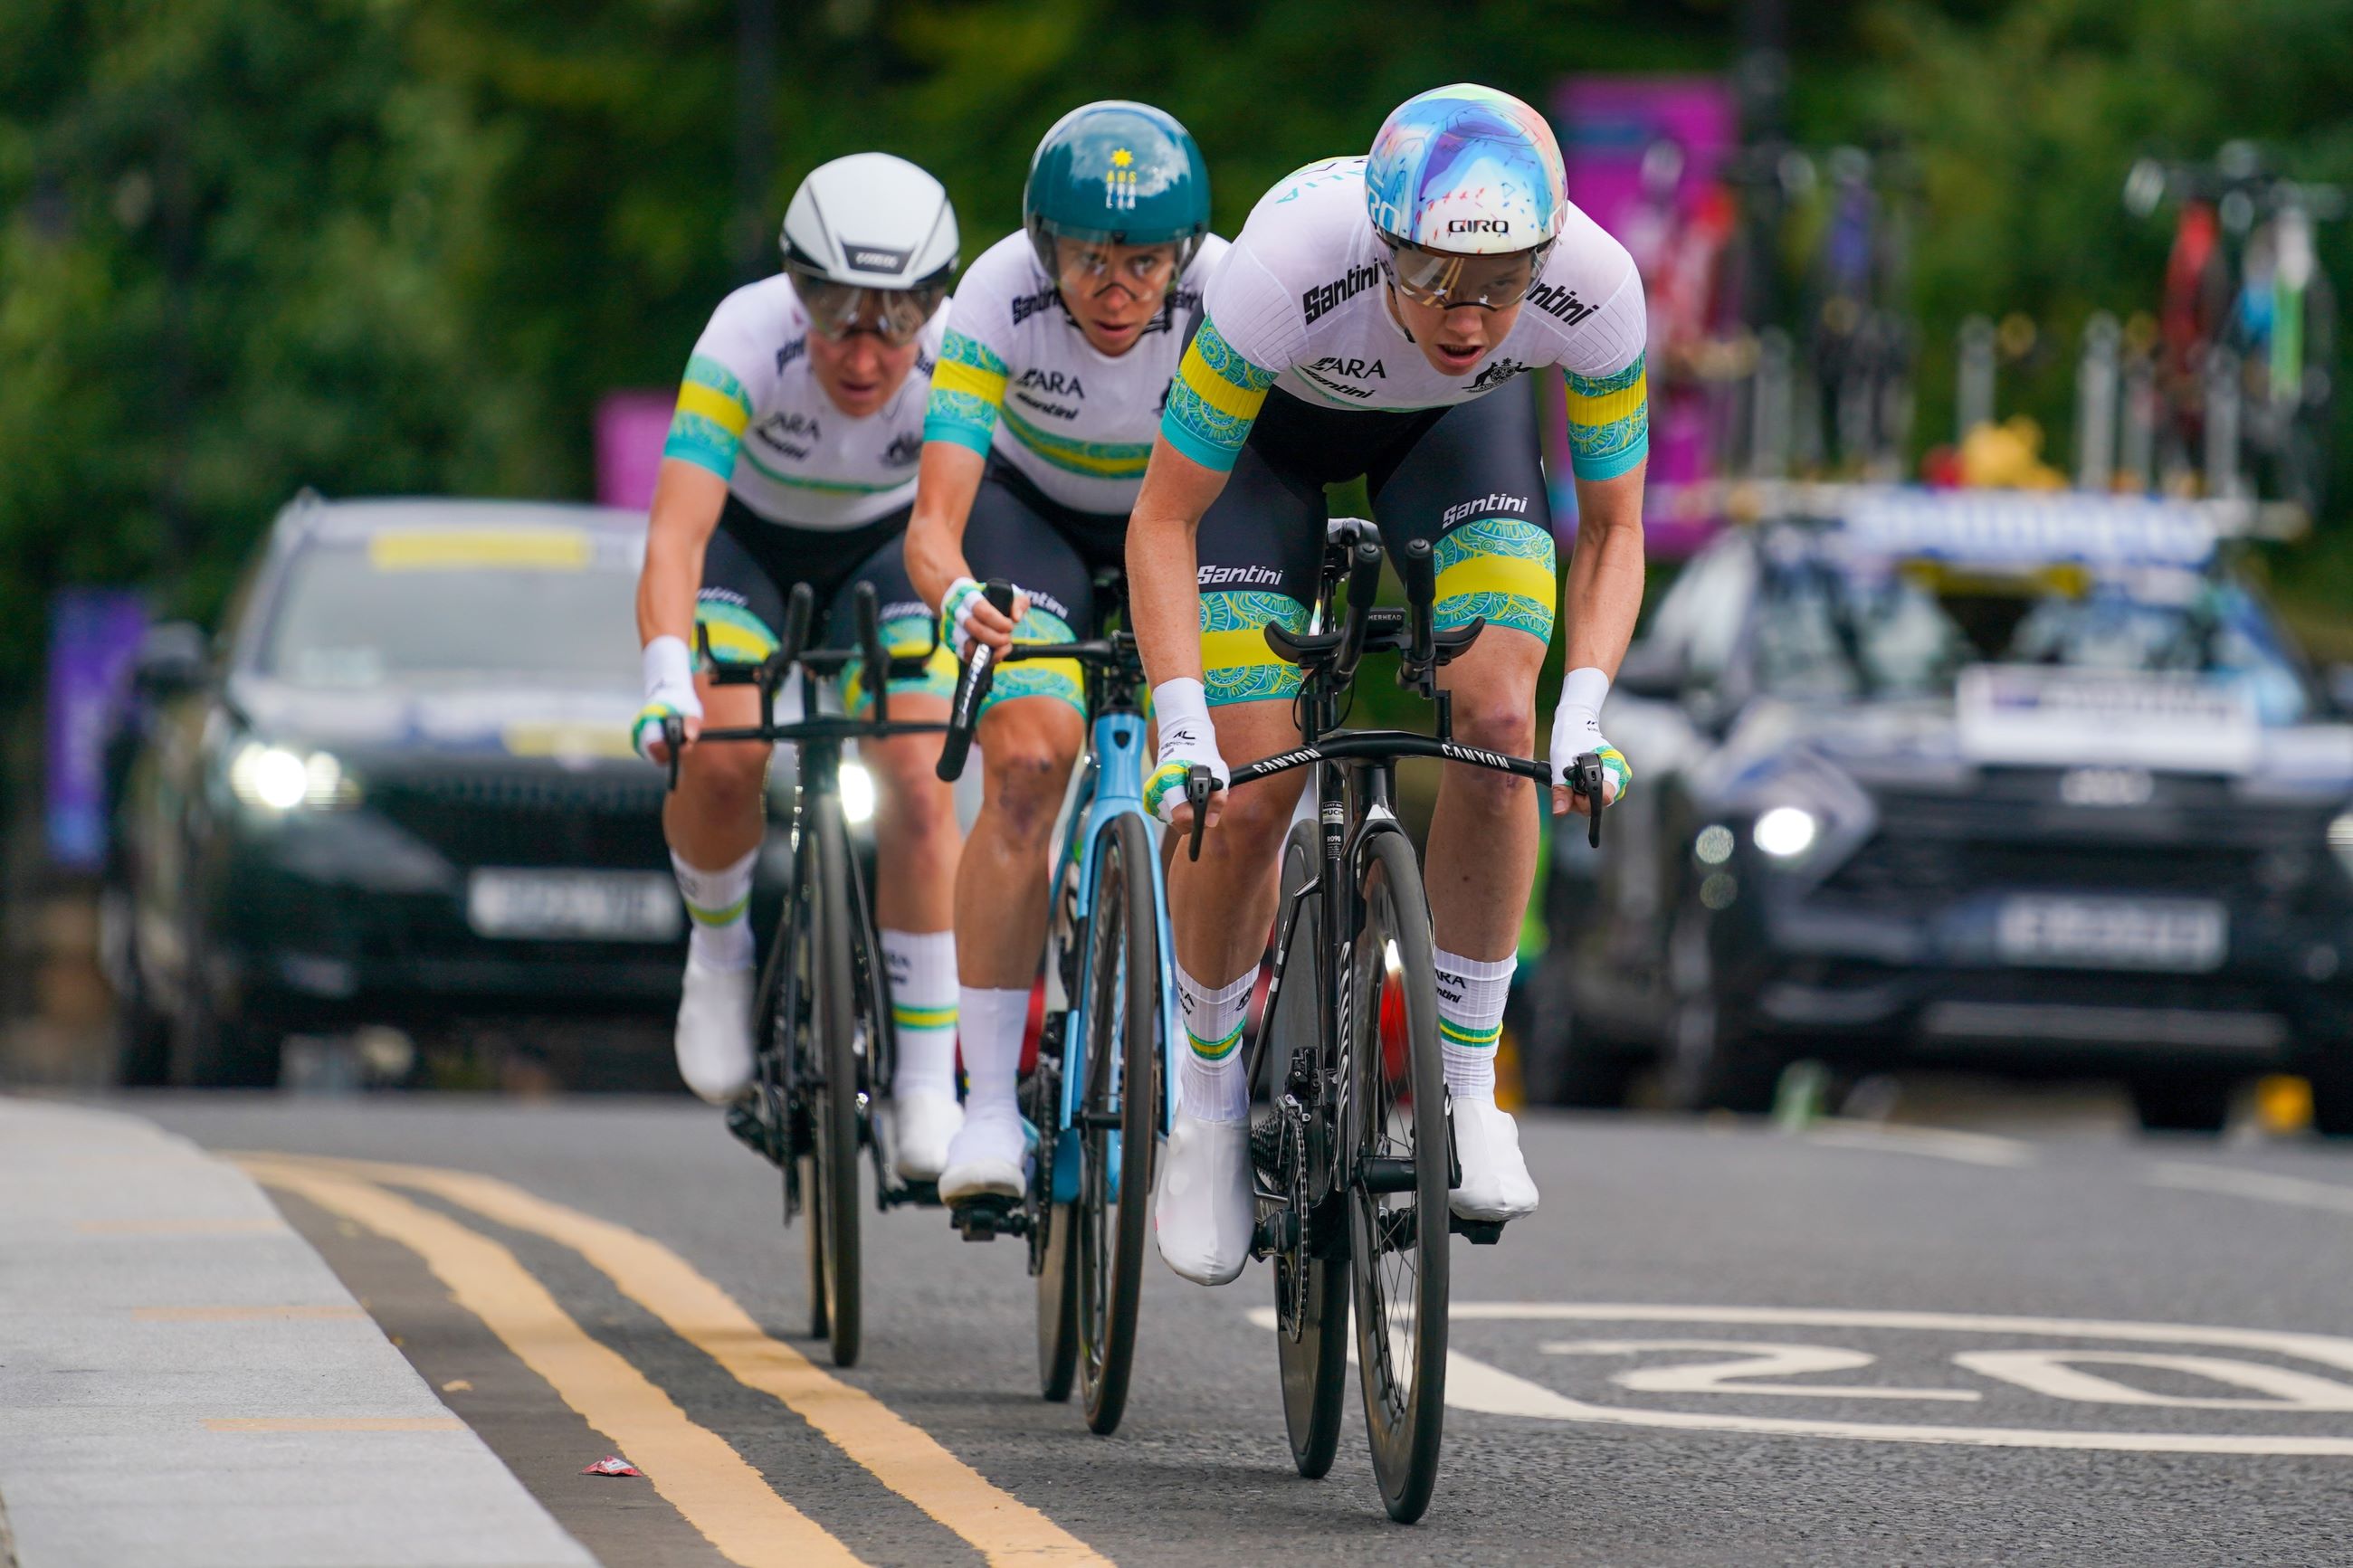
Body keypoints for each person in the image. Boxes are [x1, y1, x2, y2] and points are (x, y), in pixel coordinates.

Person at [1126, 84, 1651, 1285]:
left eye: (1505, 285)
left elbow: (1615, 530)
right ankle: (1205, 1109)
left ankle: (1468, 1090)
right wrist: (1181, 724)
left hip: (1451, 442)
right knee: (1252, 791)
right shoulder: (1285, 266)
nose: (1472, 318)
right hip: (1268, 450)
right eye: (1436, 282)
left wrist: (1586, 710)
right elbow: (1163, 518)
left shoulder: (1598, 282)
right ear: (1382, 245)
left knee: (1502, 715)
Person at [900, 101, 1225, 1207]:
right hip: (1026, 515)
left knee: (1238, 777)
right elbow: (935, 519)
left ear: (1182, 253)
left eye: (1143, 260)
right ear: (1046, 248)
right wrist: (952, 599)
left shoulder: (1227, 293)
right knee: (1031, 761)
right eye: (1089, 258)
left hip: (1179, 523)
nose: (1117, 285)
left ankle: (1203, 1064)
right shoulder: (996, 293)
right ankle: (987, 1102)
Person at [634, 153, 968, 1180]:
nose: (865, 355)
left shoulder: (960, 355)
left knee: (919, 779)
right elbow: (676, 537)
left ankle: (922, 1074)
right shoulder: (743, 337)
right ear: (796, 294)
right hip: (748, 546)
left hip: (887, 548)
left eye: (895, 322)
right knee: (725, 754)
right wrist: (662, 676)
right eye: (837, 318)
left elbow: (960, 526)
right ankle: (721, 954)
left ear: (933, 308)